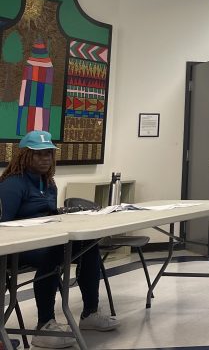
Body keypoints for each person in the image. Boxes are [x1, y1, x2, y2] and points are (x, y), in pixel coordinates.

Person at [0, 130, 119, 348]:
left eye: (48, 154)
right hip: (19, 247)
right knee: (54, 253)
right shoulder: (13, 184)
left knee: (88, 246)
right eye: (39, 154)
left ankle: (90, 313)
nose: (45, 159)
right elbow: (3, 226)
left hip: (47, 240)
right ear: (25, 156)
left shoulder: (49, 183)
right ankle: (44, 325)